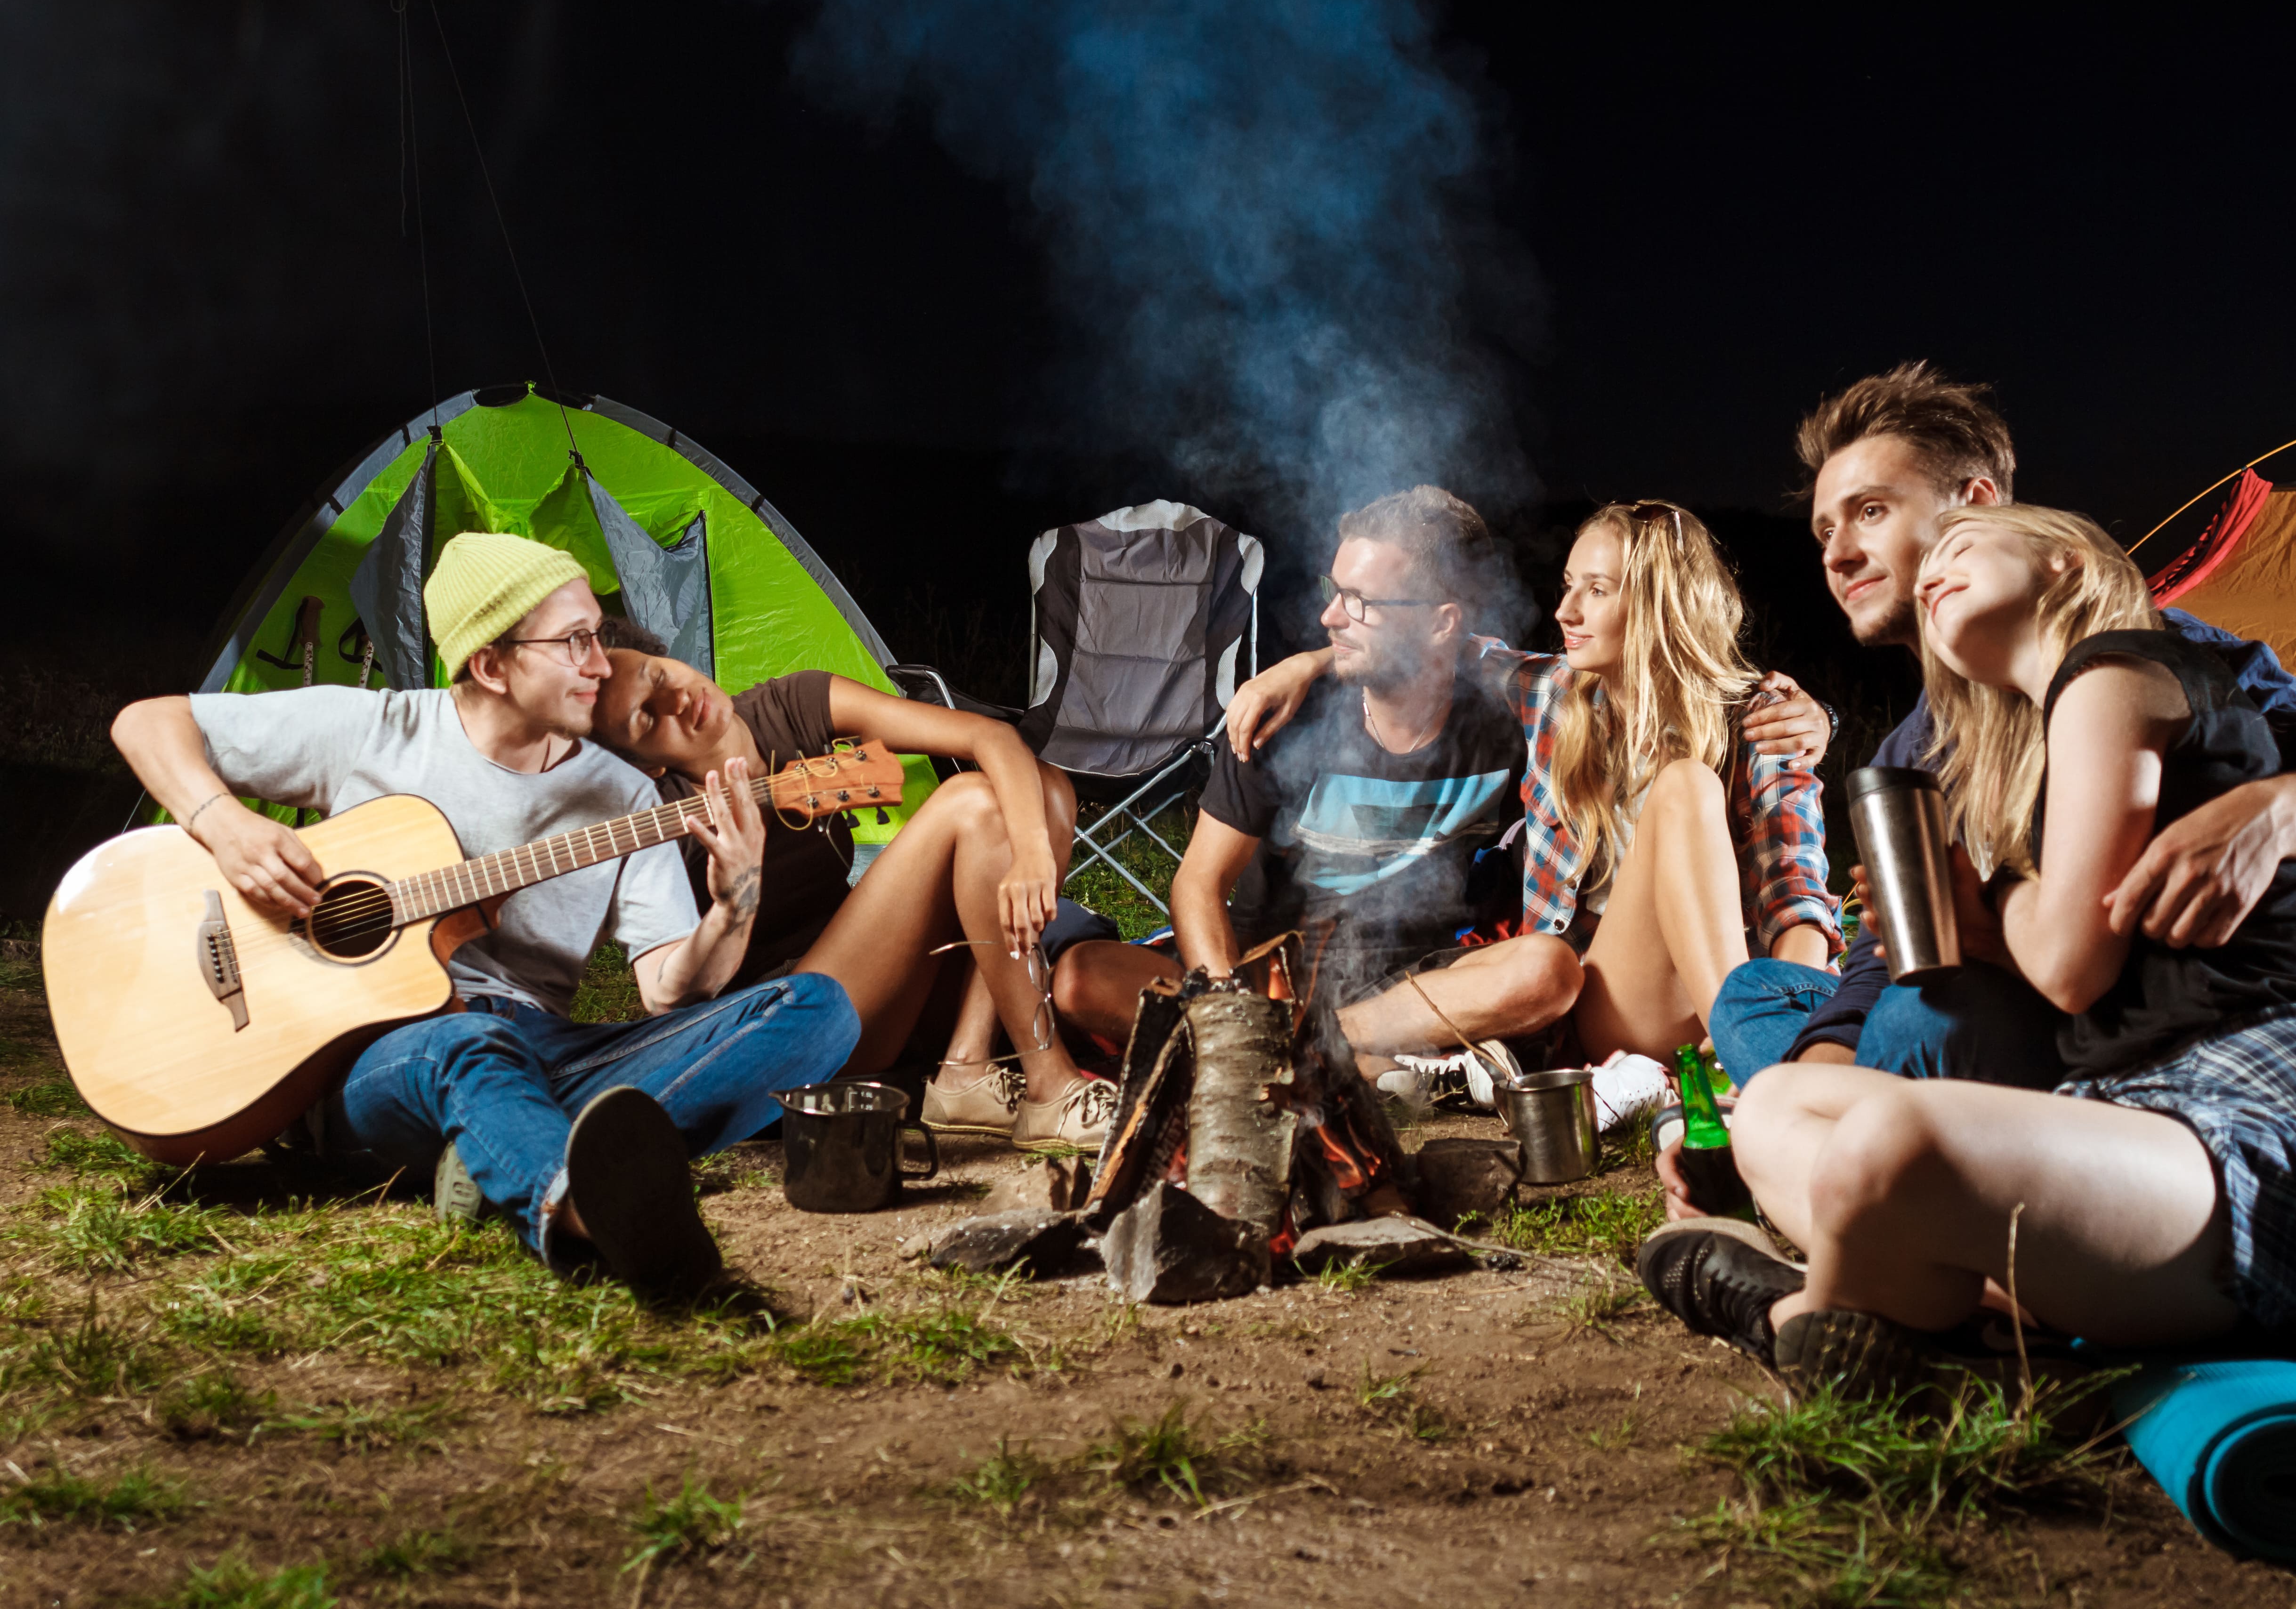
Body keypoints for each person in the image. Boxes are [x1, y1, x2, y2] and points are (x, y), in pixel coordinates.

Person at [1640, 504, 2296, 1428]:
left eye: (1960, 548)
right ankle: (1966, 1335)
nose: (1931, 572)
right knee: (1779, 1106)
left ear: (2062, 562)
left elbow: (2068, 968)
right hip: (2145, 1127)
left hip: (2283, 1134)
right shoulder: (1983, 732)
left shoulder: (2113, 669)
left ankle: (1800, 1310)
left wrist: (1982, 912)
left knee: (1888, 1144)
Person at [108, 533, 860, 1298]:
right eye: (574, 643)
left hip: (547, 1049)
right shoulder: (377, 729)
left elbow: (670, 991)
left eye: (597, 637)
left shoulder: (625, 797)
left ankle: (497, 1143)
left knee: (819, 1009)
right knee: (470, 1041)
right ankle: (577, 1215)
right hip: (376, 1054)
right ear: (491, 665)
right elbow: (147, 722)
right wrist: (226, 826)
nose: (600, 666)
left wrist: (735, 898)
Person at [1706, 363, 2296, 1099]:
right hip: (1996, 1006)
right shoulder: (1910, 750)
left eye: (1870, 512)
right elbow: (1890, 952)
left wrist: (2273, 816)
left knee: (1920, 1019)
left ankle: (1862, 1116)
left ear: (1977, 505)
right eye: (1825, 530)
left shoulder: (2148, 657)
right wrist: (1821, 1069)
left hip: (2157, 1030)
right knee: (1759, 995)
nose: (1836, 554)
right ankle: (1849, 1109)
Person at [1213, 500, 1844, 1080]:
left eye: (1596, 591)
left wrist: (1786, 1012)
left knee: (1690, 789)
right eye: (1569, 586)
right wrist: (1307, 663)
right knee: (1683, 792)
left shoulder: (1762, 717)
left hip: (1726, 993)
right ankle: (1766, 1070)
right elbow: (1417, 642)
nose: (1566, 612)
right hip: (1610, 999)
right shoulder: (1553, 696)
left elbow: (1798, 900)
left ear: (1660, 603)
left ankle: (1761, 1055)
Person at [1056, 486, 1579, 1080]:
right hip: (1262, 976)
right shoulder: (1282, 719)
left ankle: (1313, 1053)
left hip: (1409, 991)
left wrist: (1312, 659)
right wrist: (1231, 1011)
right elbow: (1199, 884)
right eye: (1336, 592)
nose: (1329, 617)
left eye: (1361, 602)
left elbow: (1593, 676)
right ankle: (1342, 1063)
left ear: (1443, 623)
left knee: (1547, 971)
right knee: (1081, 979)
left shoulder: (1507, 720)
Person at [586, 623, 1116, 1150]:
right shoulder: (651, 818)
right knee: (972, 803)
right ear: (646, 765)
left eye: (660, 675)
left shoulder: (789, 703)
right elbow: (663, 988)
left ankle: (966, 1068)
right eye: (648, 716)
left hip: (881, 979)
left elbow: (991, 736)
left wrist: (1032, 853)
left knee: (1044, 789)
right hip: (803, 1021)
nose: (678, 699)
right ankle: (1049, 1085)